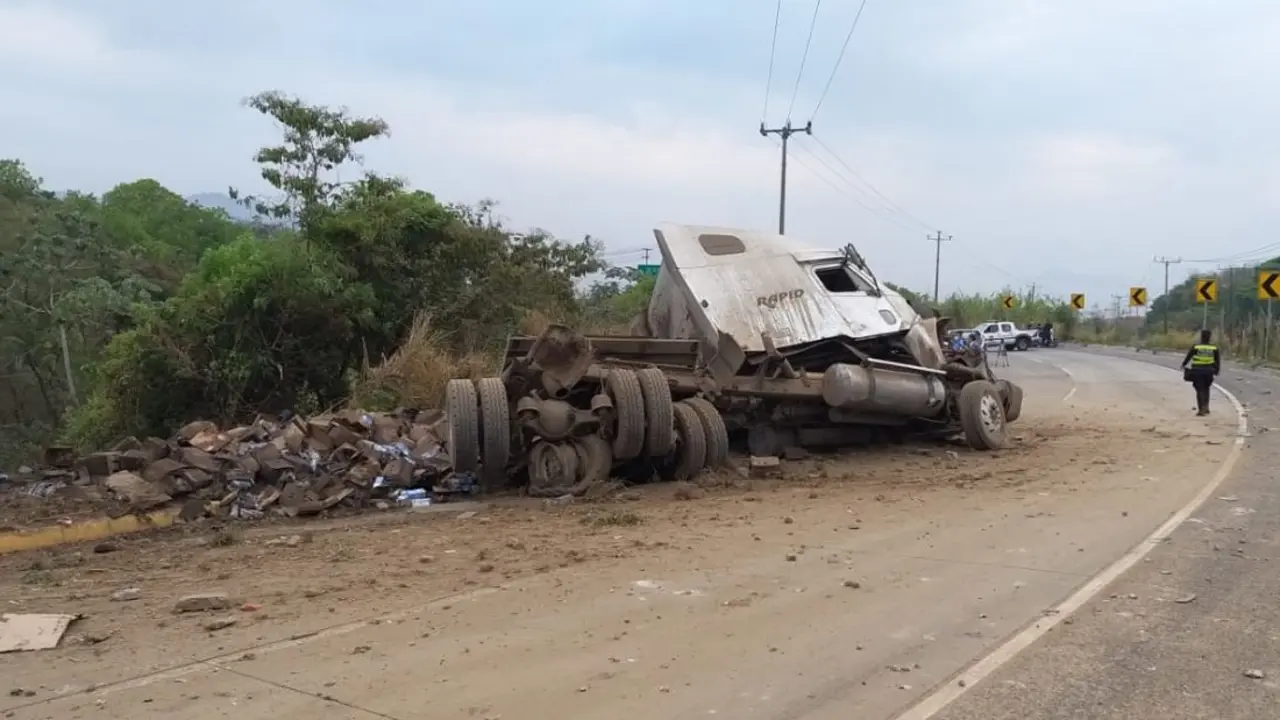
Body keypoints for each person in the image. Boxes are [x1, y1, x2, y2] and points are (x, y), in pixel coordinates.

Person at [1180, 329, 1221, 416]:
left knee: (1199, 389)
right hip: (1209, 371)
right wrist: (1217, 370)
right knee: (1206, 388)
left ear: (1201, 337)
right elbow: (1217, 360)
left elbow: (1189, 356)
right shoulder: (1214, 347)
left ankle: (1201, 409)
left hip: (1197, 370)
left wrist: (1183, 365)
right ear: (1210, 337)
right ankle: (1206, 407)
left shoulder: (1196, 347)